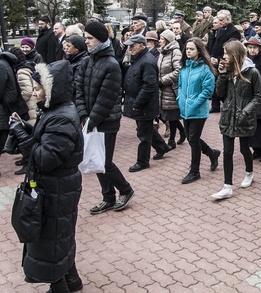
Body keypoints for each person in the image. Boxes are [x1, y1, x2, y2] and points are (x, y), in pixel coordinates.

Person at [10, 61, 84, 293]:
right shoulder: (55, 110)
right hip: (58, 185)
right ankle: (72, 280)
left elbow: (45, 159)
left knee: (50, 241)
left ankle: (59, 285)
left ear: (52, 89)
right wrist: (27, 127)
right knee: (59, 236)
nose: (34, 92)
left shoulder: (61, 117)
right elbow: (46, 140)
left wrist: (22, 134)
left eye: (38, 88)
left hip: (57, 186)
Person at [76, 20, 134, 214]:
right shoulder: (87, 61)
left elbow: (107, 98)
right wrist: (84, 115)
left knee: (105, 162)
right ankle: (107, 197)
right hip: (89, 120)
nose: (86, 42)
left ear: (100, 39)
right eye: (85, 38)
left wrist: (92, 120)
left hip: (106, 121)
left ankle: (125, 190)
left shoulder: (112, 64)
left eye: (89, 38)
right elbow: (79, 90)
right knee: (96, 161)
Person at [211, 40, 261, 200]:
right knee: (227, 152)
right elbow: (219, 93)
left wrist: (246, 111)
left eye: (227, 53)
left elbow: (258, 96)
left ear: (235, 54)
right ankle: (227, 186)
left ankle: (249, 173)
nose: (224, 56)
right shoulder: (227, 71)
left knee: (244, 149)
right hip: (228, 115)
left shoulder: (252, 72)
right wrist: (221, 74)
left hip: (244, 117)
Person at [123, 34, 172, 172]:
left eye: (132, 46)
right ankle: (162, 147)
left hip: (144, 105)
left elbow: (149, 86)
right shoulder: (139, 59)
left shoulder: (147, 61)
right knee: (146, 129)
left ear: (142, 45)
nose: (130, 48)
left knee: (143, 135)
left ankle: (143, 161)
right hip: (140, 103)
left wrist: (138, 103)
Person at [178, 38, 221, 184]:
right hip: (185, 109)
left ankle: (194, 171)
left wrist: (194, 104)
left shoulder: (205, 69)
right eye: (187, 49)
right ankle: (212, 153)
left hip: (197, 111)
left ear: (199, 51)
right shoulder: (184, 67)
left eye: (192, 49)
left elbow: (207, 91)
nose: (188, 51)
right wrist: (180, 98)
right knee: (191, 138)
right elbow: (180, 85)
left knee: (193, 140)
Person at [157, 30, 186, 149]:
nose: (159, 41)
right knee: (166, 114)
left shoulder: (175, 52)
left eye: (162, 39)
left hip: (172, 89)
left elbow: (179, 71)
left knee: (172, 115)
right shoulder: (162, 52)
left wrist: (163, 80)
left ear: (168, 40)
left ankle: (172, 140)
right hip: (163, 89)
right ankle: (182, 131)